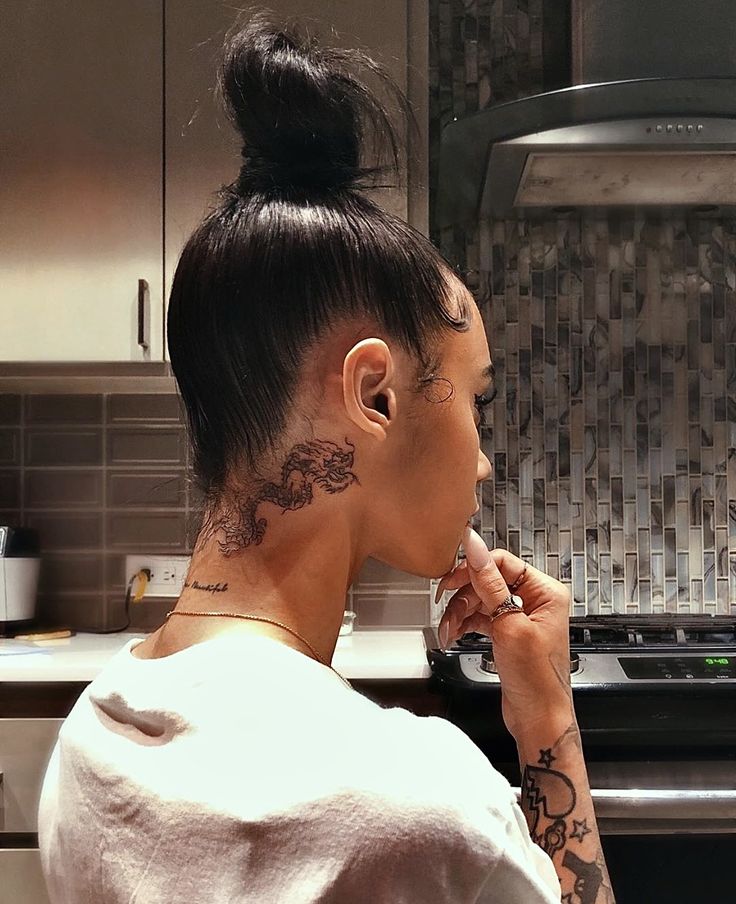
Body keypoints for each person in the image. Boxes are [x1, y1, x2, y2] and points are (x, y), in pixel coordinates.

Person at [38, 11, 615, 903]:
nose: (485, 464)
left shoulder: (84, 746)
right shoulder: (425, 810)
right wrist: (548, 726)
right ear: (374, 394)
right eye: (477, 398)